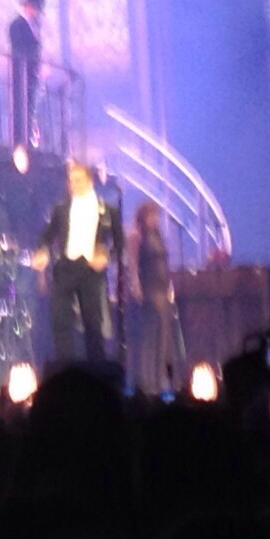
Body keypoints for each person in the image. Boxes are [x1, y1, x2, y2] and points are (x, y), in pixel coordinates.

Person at [32, 161, 116, 365]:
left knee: (93, 325)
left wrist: (105, 256)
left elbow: (116, 241)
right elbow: (47, 234)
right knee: (60, 321)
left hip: (89, 270)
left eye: (78, 180)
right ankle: (65, 369)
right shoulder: (61, 209)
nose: (73, 185)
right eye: (71, 181)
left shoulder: (104, 209)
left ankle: (96, 370)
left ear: (89, 182)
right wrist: (42, 251)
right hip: (66, 269)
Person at [126, 201, 183, 394]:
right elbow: (132, 263)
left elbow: (165, 263)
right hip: (149, 288)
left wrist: (170, 287)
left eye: (156, 215)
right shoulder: (137, 236)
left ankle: (160, 380)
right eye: (151, 215)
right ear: (143, 217)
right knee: (150, 335)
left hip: (162, 289)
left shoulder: (157, 235)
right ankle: (147, 381)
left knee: (164, 336)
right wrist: (136, 286)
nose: (155, 219)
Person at [8, 0, 48, 147]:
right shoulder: (17, 25)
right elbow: (19, 48)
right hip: (21, 72)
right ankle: (19, 139)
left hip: (32, 72)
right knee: (21, 104)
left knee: (30, 105)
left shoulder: (34, 26)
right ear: (28, 7)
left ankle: (28, 137)